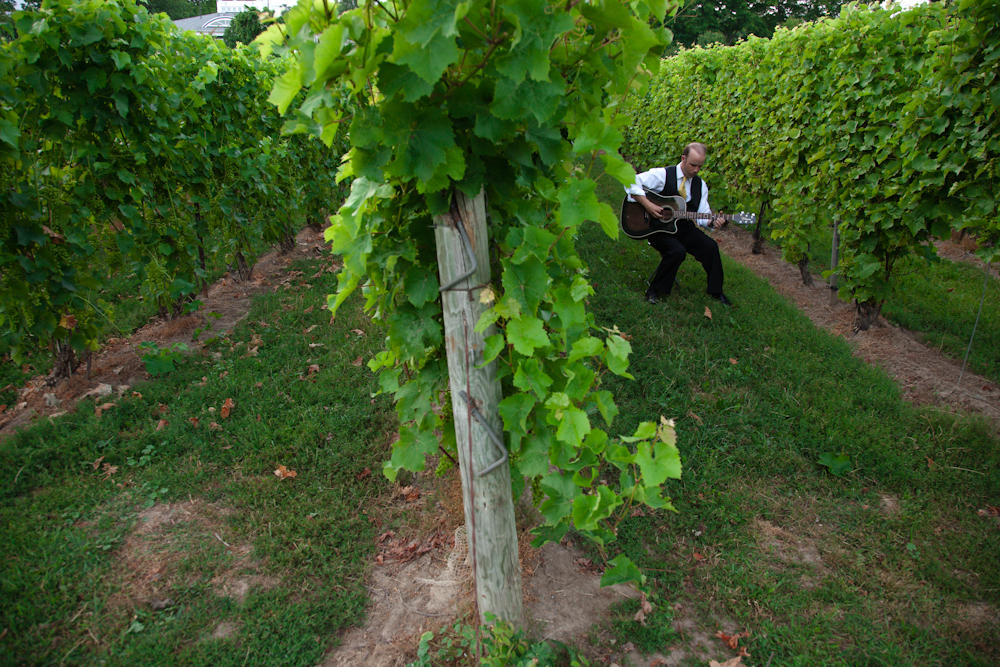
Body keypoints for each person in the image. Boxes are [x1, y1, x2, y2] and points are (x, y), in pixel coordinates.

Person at [625, 143, 733, 306]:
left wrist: (712, 221)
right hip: (657, 227)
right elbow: (630, 181)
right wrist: (647, 205)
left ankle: (716, 291)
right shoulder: (662, 175)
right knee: (677, 250)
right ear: (683, 158)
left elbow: (703, 214)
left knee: (710, 246)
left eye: (700, 166)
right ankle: (654, 290)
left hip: (683, 227)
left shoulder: (700, 185)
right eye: (693, 165)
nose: (696, 170)